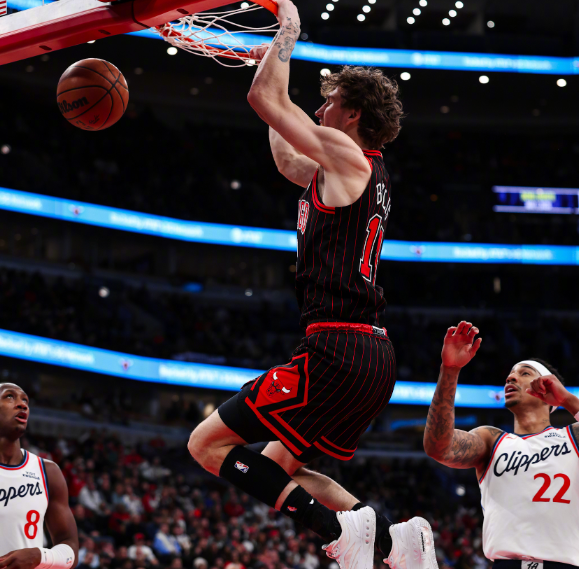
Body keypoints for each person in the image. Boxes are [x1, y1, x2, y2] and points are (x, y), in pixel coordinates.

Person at [187, 2, 438, 569]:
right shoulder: (348, 169)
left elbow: (266, 101)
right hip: (368, 353)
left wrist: (288, 32)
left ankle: (336, 532)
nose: (320, 109)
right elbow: (283, 150)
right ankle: (396, 541)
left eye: (329, 102)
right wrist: (268, 63)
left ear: (352, 114)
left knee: (206, 444)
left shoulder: (349, 156)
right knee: (279, 467)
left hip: (337, 349)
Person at [424, 321, 579, 567]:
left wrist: (567, 399)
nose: (511, 377)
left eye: (524, 373)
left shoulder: (572, 436)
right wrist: (450, 370)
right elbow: (438, 447)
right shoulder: (491, 440)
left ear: (548, 386)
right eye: (510, 374)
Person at [0, 383, 79, 569]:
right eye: (9, 396)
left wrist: (41, 556)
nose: (22, 404)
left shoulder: (48, 472)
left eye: (25, 400)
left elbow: (71, 547)